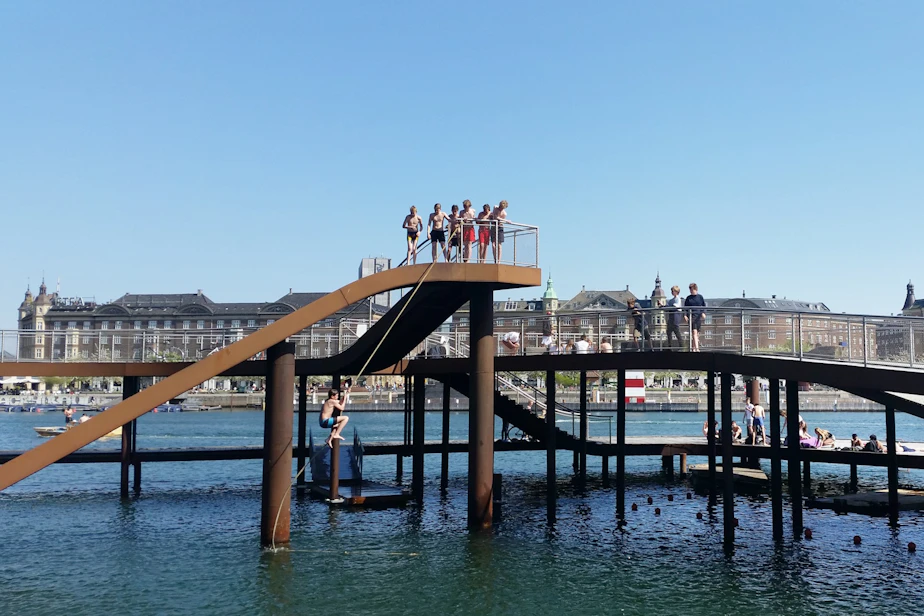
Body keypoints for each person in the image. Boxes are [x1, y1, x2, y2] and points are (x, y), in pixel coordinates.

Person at [684, 283, 706, 352]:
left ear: (695, 289)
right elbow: (685, 308)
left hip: (698, 317)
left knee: (696, 334)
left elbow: (704, 306)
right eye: (690, 290)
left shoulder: (700, 297)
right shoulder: (688, 298)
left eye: (692, 290)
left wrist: (703, 313)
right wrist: (685, 315)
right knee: (694, 332)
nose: (691, 291)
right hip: (691, 316)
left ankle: (693, 349)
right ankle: (697, 349)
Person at [664, 285, 684, 350]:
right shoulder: (671, 300)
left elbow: (674, 307)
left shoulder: (678, 299)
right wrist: (662, 306)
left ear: (677, 292)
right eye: (672, 291)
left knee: (677, 332)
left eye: (673, 291)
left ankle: (681, 346)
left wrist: (666, 307)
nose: (672, 292)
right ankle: (670, 347)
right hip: (671, 318)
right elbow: (668, 307)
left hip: (676, 317)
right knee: (668, 332)